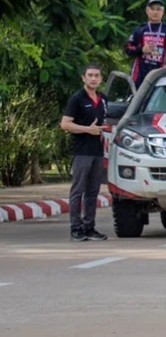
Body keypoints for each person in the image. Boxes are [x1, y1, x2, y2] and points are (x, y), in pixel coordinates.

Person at [59, 64, 109, 242]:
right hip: (81, 151)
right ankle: (76, 228)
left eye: (96, 75)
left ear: (101, 79)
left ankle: (89, 227)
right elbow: (65, 124)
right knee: (78, 190)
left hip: (97, 151)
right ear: (83, 78)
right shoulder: (77, 99)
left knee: (93, 191)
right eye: (90, 75)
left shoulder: (103, 99)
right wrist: (87, 129)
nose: (93, 79)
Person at [123, 0, 166, 89]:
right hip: (140, 73)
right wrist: (141, 49)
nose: (155, 12)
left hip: (160, 71)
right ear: (147, 11)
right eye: (152, 9)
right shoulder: (139, 30)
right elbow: (128, 48)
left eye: (158, 9)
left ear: (162, 12)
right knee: (137, 95)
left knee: (156, 95)